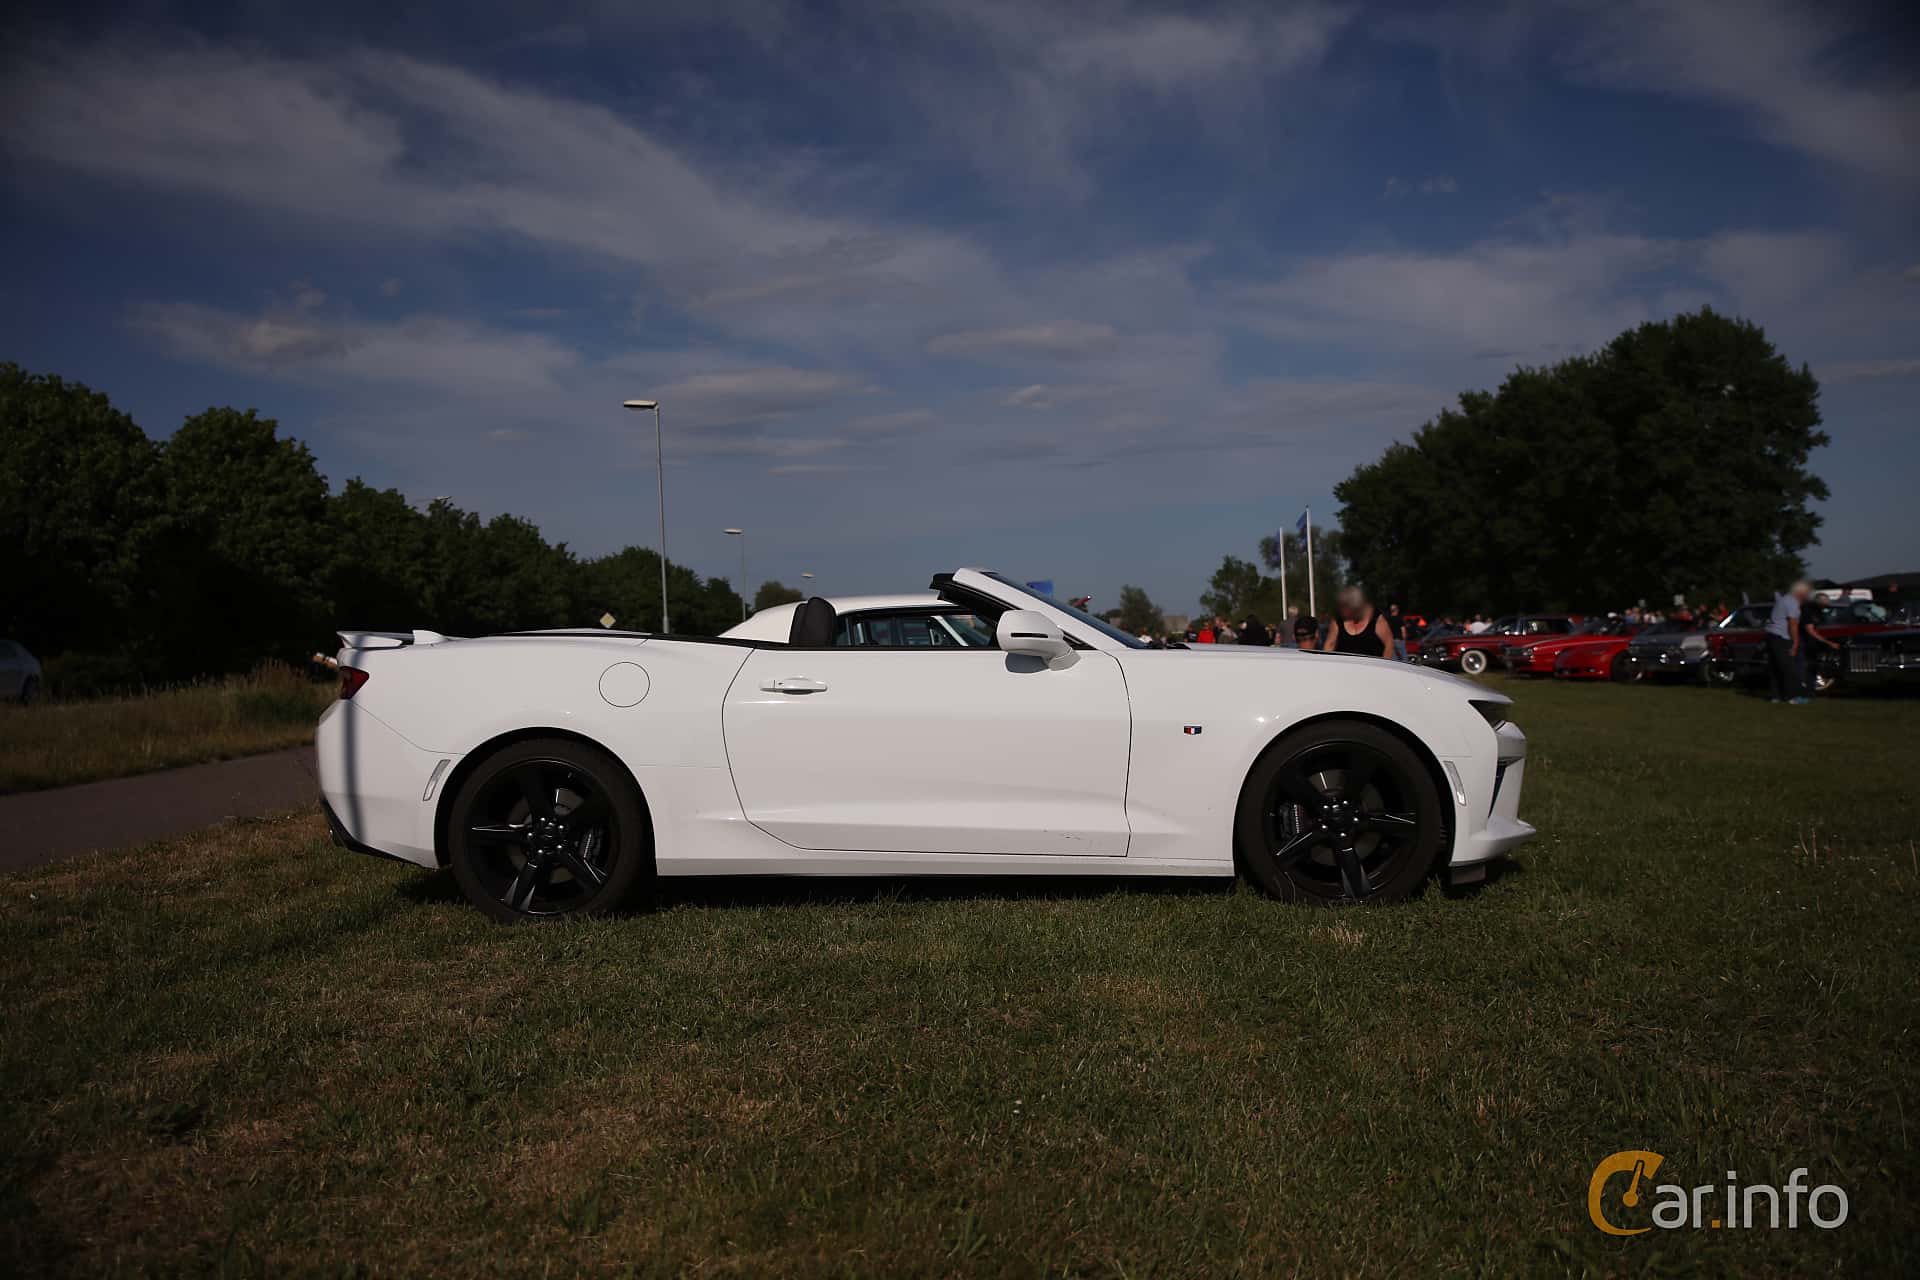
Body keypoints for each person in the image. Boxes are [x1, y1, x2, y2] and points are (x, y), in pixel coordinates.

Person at [1765, 580, 1812, 704]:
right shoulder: (1792, 602)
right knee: (1788, 667)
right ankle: (1792, 696)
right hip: (1781, 637)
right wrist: (1795, 643)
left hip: (1771, 635)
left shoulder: (1784, 599)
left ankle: (1776, 696)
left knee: (1775, 667)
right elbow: (1793, 624)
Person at [1321, 585, 1394, 658]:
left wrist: (1382, 666)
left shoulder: (1376, 618)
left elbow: (1389, 644)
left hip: (1372, 667)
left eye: (1347, 607)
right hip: (1345, 666)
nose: (1343, 611)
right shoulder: (1338, 620)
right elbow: (1330, 644)